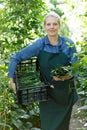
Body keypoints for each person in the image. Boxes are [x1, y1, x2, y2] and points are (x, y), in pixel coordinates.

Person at [8, 11, 78, 130]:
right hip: (47, 95)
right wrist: (11, 80)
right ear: (45, 26)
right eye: (49, 24)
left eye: (55, 24)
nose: (52, 27)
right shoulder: (40, 45)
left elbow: (76, 68)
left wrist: (66, 77)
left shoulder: (68, 45)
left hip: (65, 94)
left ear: (59, 26)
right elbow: (16, 57)